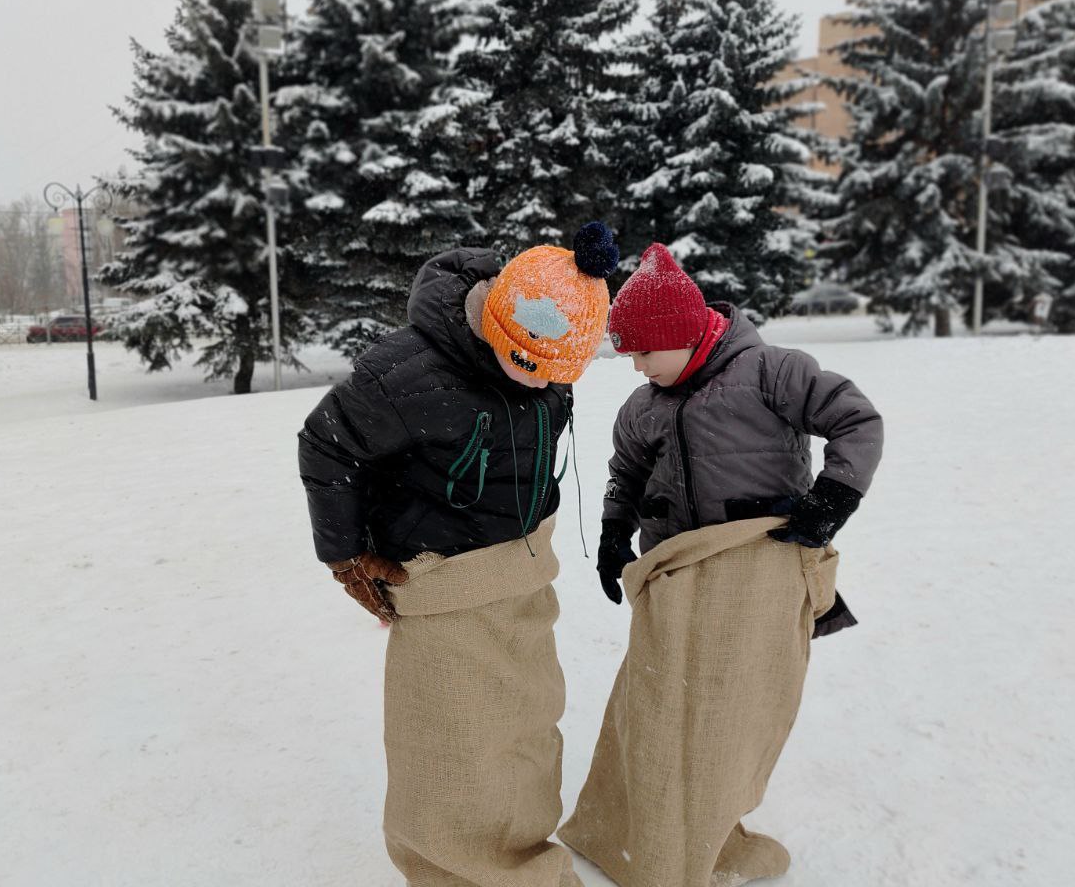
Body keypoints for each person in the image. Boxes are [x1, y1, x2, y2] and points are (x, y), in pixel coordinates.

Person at [297, 223, 619, 887]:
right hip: (441, 573)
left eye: (555, 374)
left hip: (518, 569)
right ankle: (458, 863)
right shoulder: (404, 371)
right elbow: (326, 446)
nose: (537, 383)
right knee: (455, 740)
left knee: (526, 723)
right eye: (525, 364)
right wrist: (347, 552)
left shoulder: (549, 359)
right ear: (496, 318)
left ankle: (519, 840)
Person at [596, 242, 883, 634]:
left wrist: (834, 498)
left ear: (681, 334)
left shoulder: (771, 372)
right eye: (630, 355)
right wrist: (613, 532)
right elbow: (625, 474)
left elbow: (856, 419)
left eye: (645, 351)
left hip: (761, 566)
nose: (637, 367)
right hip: (678, 576)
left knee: (745, 680)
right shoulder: (643, 406)